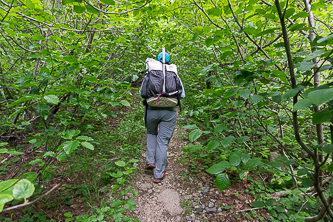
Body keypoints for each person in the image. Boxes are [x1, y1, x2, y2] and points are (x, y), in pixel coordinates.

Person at [139, 51, 185, 183]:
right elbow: (182, 95)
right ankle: (158, 174)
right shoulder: (173, 72)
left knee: (151, 133)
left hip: (152, 110)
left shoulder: (151, 72)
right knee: (163, 142)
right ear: (169, 61)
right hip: (169, 112)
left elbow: (142, 92)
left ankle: (150, 161)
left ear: (157, 61)